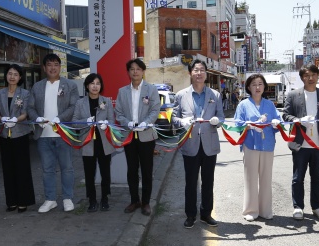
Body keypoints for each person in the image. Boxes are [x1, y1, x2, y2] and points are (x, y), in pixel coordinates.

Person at [173, 60, 225, 228]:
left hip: (209, 145)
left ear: (206, 73)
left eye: (202, 70)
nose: (199, 73)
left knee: (208, 181)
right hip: (190, 143)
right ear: (190, 73)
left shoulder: (214, 95)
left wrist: (217, 122)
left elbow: (221, 117)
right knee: (190, 182)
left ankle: (206, 213)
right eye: (196, 70)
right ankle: (190, 214)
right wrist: (181, 122)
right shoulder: (181, 95)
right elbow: (173, 117)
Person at [28, 53, 79, 213]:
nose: (52, 67)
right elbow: (30, 107)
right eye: (49, 64)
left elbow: (73, 106)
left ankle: (67, 198)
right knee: (47, 169)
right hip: (43, 135)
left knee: (67, 168)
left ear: (60, 67)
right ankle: (50, 199)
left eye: (56, 64)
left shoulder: (70, 85)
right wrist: (37, 119)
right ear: (44, 68)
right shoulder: (37, 86)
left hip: (63, 133)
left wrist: (59, 118)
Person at [282, 65, 319, 221]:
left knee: (317, 177)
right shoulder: (293, 95)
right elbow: (285, 115)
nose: (310, 78)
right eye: (306, 75)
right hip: (300, 144)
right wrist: (297, 120)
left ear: (318, 76)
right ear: (302, 77)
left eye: (313, 75)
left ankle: (317, 207)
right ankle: (298, 207)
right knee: (298, 178)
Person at [115, 58, 161, 216]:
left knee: (147, 171)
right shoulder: (123, 91)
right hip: (129, 136)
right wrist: (127, 123)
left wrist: (145, 123)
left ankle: (146, 202)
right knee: (132, 170)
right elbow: (118, 113)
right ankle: (135, 200)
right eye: (132, 69)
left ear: (143, 71)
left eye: (138, 69)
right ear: (128, 72)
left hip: (146, 136)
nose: (135, 72)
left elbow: (155, 110)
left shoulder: (151, 89)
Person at [233, 73, 280, 222]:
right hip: (250, 144)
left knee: (266, 178)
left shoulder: (270, 105)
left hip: (267, 145)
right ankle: (251, 210)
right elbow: (237, 123)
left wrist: (275, 124)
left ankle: (266, 210)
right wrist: (248, 126)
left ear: (264, 86)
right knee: (251, 178)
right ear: (248, 87)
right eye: (254, 84)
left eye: (260, 84)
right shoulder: (243, 105)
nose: (257, 87)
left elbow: (278, 121)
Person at [0, 64, 35, 213]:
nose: (12, 77)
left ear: (20, 77)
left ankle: (23, 201)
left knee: (22, 169)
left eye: (15, 74)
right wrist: (1, 118)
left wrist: (16, 119)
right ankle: (11, 201)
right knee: (7, 169)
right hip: (4, 135)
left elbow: (26, 113)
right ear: (6, 75)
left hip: (20, 134)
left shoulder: (25, 93)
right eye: (10, 73)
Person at [73, 73, 115, 212]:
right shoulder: (80, 102)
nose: (95, 86)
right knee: (89, 174)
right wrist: (85, 122)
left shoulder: (106, 101)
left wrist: (106, 124)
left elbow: (112, 121)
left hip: (104, 143)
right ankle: (91, 200)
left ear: (101, 86)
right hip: (87, 143)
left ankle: (105, 199)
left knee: (105, 173)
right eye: (92, 83)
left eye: (98, 83)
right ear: (87, 86)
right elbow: (74, 122)